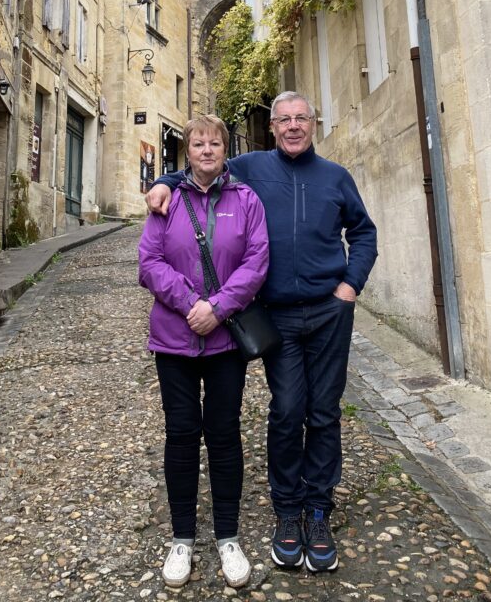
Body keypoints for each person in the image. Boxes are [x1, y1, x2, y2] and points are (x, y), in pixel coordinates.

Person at [146, 91, 377, 574]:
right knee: (288, 411)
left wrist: (350, 285)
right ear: (271, 127)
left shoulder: (336, 177)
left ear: (314, 123)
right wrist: (165, 183)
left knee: (325, 411)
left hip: (329, 312)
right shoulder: (250, 168)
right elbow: (202, 168)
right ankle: (287, 511)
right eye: (284, 120)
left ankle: (318, 512)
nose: (293, 127)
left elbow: (364, 232)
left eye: (302, 119)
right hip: (277, 317)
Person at [139, 114, 269, 589]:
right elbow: (148, 262)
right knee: (180, 433)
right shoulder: (166, 200)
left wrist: (216, 307)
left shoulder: (247, 199)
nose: (208, 150)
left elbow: (257, 263)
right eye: (199, 144)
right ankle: (182, 539)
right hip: (173, 339)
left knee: (224, 433)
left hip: (225, 341)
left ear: (225, 148)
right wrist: (190, 302)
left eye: (215, 143)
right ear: (187, 151)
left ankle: (228, 536)